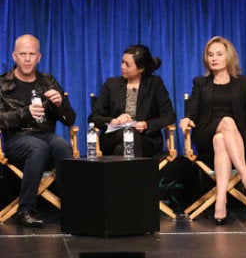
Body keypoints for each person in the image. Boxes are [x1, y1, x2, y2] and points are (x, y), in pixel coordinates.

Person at [179, 36, 246, 225]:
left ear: (228, 57)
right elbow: (192, 112)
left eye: (219, 54)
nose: (213, 58)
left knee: (221, 139)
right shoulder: (200, 83)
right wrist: (186, 119)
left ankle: (220, 201)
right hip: (205, 134)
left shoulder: (244, 82)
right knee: (226, 122)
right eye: (210, 54)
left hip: (236, 139)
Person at [0, 34, 76, 227]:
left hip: (45, 135)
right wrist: (25, 112)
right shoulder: (3, 84)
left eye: (31, 54)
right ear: (14, 56)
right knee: (38, 147)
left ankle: (74, 207)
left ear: (39, 57)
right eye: (22, 54)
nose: (27, 59)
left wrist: (60, 105)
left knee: (62, 145)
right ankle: (25, 210)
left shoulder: (48, 81)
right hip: (16, 139)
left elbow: (70, 120)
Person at [92, 45, 176, 157]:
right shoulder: (111, 84)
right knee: (130, 133)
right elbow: (94, 117)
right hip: (113, 137)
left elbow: (169, 116)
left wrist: (146, 124)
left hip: (145, 139)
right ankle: (140, 174)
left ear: (141, 68)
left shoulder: (154, 84)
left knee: (122, 149)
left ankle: (129, 174)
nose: (122, 66)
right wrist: (114, 121)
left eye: (127, 65)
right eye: (122, 62)